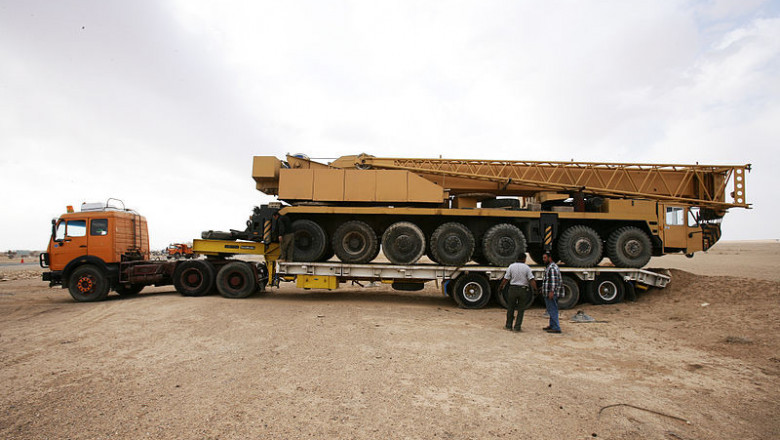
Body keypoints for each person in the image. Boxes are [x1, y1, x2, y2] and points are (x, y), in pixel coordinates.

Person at [498, 254, 537, 332]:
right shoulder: (527, 268)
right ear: (524, 259)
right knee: (521, 309)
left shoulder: (511, 266)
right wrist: (535, 289)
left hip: (513, 289)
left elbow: (506, 279)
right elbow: (531, 280)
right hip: (523, 289)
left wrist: (501, 287)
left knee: (510, 308)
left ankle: (508, 325)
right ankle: (517, 327)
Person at [541, 251, 563, 333]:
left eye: (545, 258)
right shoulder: (550, 267)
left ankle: (556, 327)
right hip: (549, 291)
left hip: (551, 293)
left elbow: (554, 281)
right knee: (551, 309)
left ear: (550, 258)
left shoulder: (552, 268)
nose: (543, 259)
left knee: (553, 309)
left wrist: (551, 291)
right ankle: (552, 325)